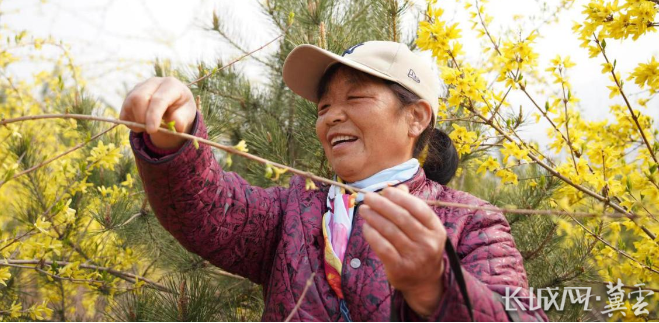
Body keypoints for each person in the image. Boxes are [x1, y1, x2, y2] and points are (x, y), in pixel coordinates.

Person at [121, 41, 548, 322]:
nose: (331, 117)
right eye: (323, 108)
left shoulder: (470, 222)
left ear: (416, 117)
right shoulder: (293, 210)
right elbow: (210, 210)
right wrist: (171, 138)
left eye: (355, 98)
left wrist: (436, 287)